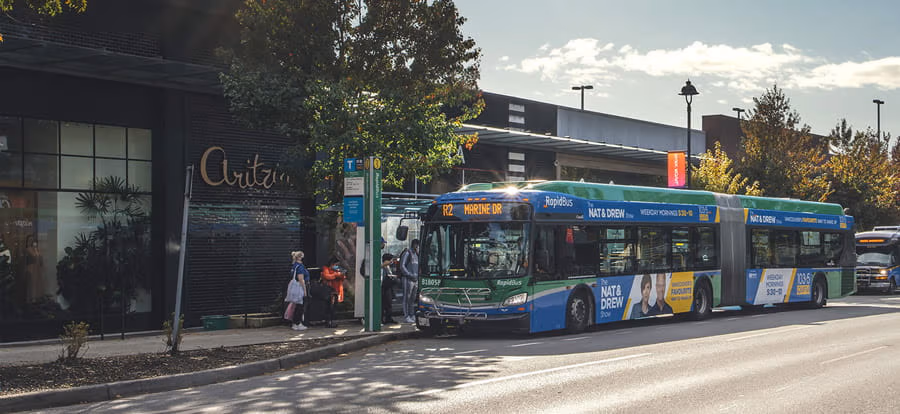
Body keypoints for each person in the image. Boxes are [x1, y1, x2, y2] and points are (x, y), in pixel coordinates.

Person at [398, 239, 420, 323]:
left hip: (415, 279)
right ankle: (406, 316)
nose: (417, 247)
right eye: (416, 245)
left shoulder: (417, 254)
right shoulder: (408, 253)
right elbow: (402, 266)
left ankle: (411, 314)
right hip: (408, 279)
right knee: (406, 298)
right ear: (413, 244)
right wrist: (409, 275)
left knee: (412, 299)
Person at [286, 251, 308, 331]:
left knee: (296, 305)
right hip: (300, 287)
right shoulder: (300, 267)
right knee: (300, 305)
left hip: (294, 287)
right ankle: (297, 322)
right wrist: (305, 290)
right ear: (300, 257)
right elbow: (301, 279)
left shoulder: (294, 266)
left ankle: (295, 322)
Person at [381, 253, 398, 324]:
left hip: (388, 287)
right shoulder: (382, 267)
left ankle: (389, 318)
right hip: (382, 286)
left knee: (389, 303)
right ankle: (381, 319)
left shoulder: (387, 267)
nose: (392, 262)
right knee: (382, 304)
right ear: (386, 261)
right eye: (390, 260)